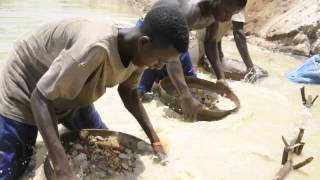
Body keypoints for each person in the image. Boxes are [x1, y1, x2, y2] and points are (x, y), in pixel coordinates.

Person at [0, 7, 189, 180]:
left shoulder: (140, 53)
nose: (158, 67)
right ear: (143, 43)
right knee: (11, 170)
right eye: (160, 61)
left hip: (72, 88)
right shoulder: (94, 48)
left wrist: (155, 141)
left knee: (103, 144)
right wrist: (61, 167)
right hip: (27, 86)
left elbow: (129, 93)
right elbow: (39, 98)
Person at [149, 0, 247, 119]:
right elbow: (171, 59)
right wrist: (186, 97)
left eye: (232, 15)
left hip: (175, 46)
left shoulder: (214, 13)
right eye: (227, 12)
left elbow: (210, 44)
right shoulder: (192, 11)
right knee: (145, 94)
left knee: (190, 84)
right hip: (150, 42)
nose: (227, 19)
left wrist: (221, 78)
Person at [198, 10, 265, 82]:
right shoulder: (238, 3)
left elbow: (219, 23)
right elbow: (238, 33)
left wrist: (219, 52)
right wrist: (250, 68)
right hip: (205, 40)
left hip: (202, 34)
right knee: (199, 69)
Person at [136, 18, 196, 98]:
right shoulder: (149, 59)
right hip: (153, 63)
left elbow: (192, 83)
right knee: (140, 92)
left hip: (174, 77)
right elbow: (134, 94)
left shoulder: (181, 55)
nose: (158, 65)